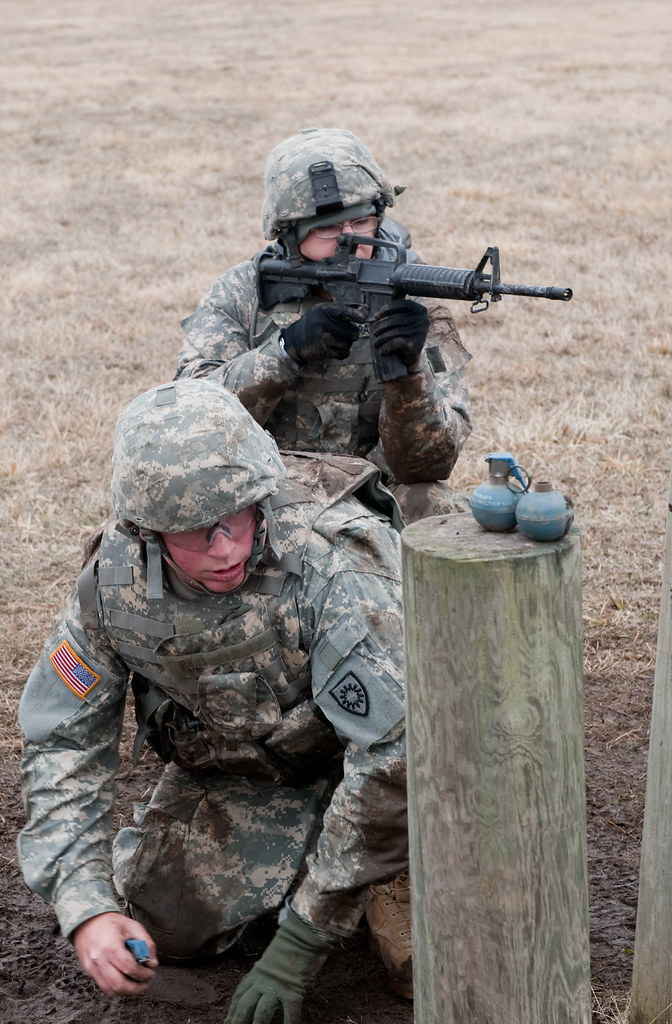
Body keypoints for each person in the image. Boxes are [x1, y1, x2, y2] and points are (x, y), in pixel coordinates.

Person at [17, 378, 412, 1023]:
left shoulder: (334, 561)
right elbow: (63, 737)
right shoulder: (112, 587)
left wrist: (300, 942)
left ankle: (384, 872)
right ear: (147, 530)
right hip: (251, 772)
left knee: (427, 964)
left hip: (382, 778)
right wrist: (83, 903)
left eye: (236, 518)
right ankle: (311, 857)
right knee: (163, 925)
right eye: (195, 533)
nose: (224, 546)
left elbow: (395, 755)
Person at [175, 126, 472, 524]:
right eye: (328, 227)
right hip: (268, 497)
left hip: (376, 496)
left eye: (362, 222)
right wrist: (284, 352)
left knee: (439, 510)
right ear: (291, 235)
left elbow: (429, 466)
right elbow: (189, 424)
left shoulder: (415, 292)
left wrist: (409, 376)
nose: (349, 241)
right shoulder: (242, 293)